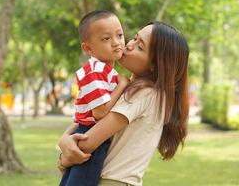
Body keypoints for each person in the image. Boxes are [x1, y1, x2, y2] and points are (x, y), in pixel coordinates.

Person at [58, 21, 190, 186]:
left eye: (140, 46)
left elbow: (87, 142)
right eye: (134, 38)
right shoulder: (138, 90)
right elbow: (89, 121)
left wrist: (64, 157)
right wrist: (64, 139)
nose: (128, 45)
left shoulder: (143, 93)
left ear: (154, 66)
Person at [59, 10, 129, 186]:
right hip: (90, 135)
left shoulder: (105, 71)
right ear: (88, 48)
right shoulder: (95, 72)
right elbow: (100, 112)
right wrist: (122, 86)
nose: (116, 43)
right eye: (106, 39)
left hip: (89, 132)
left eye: (119, 35)